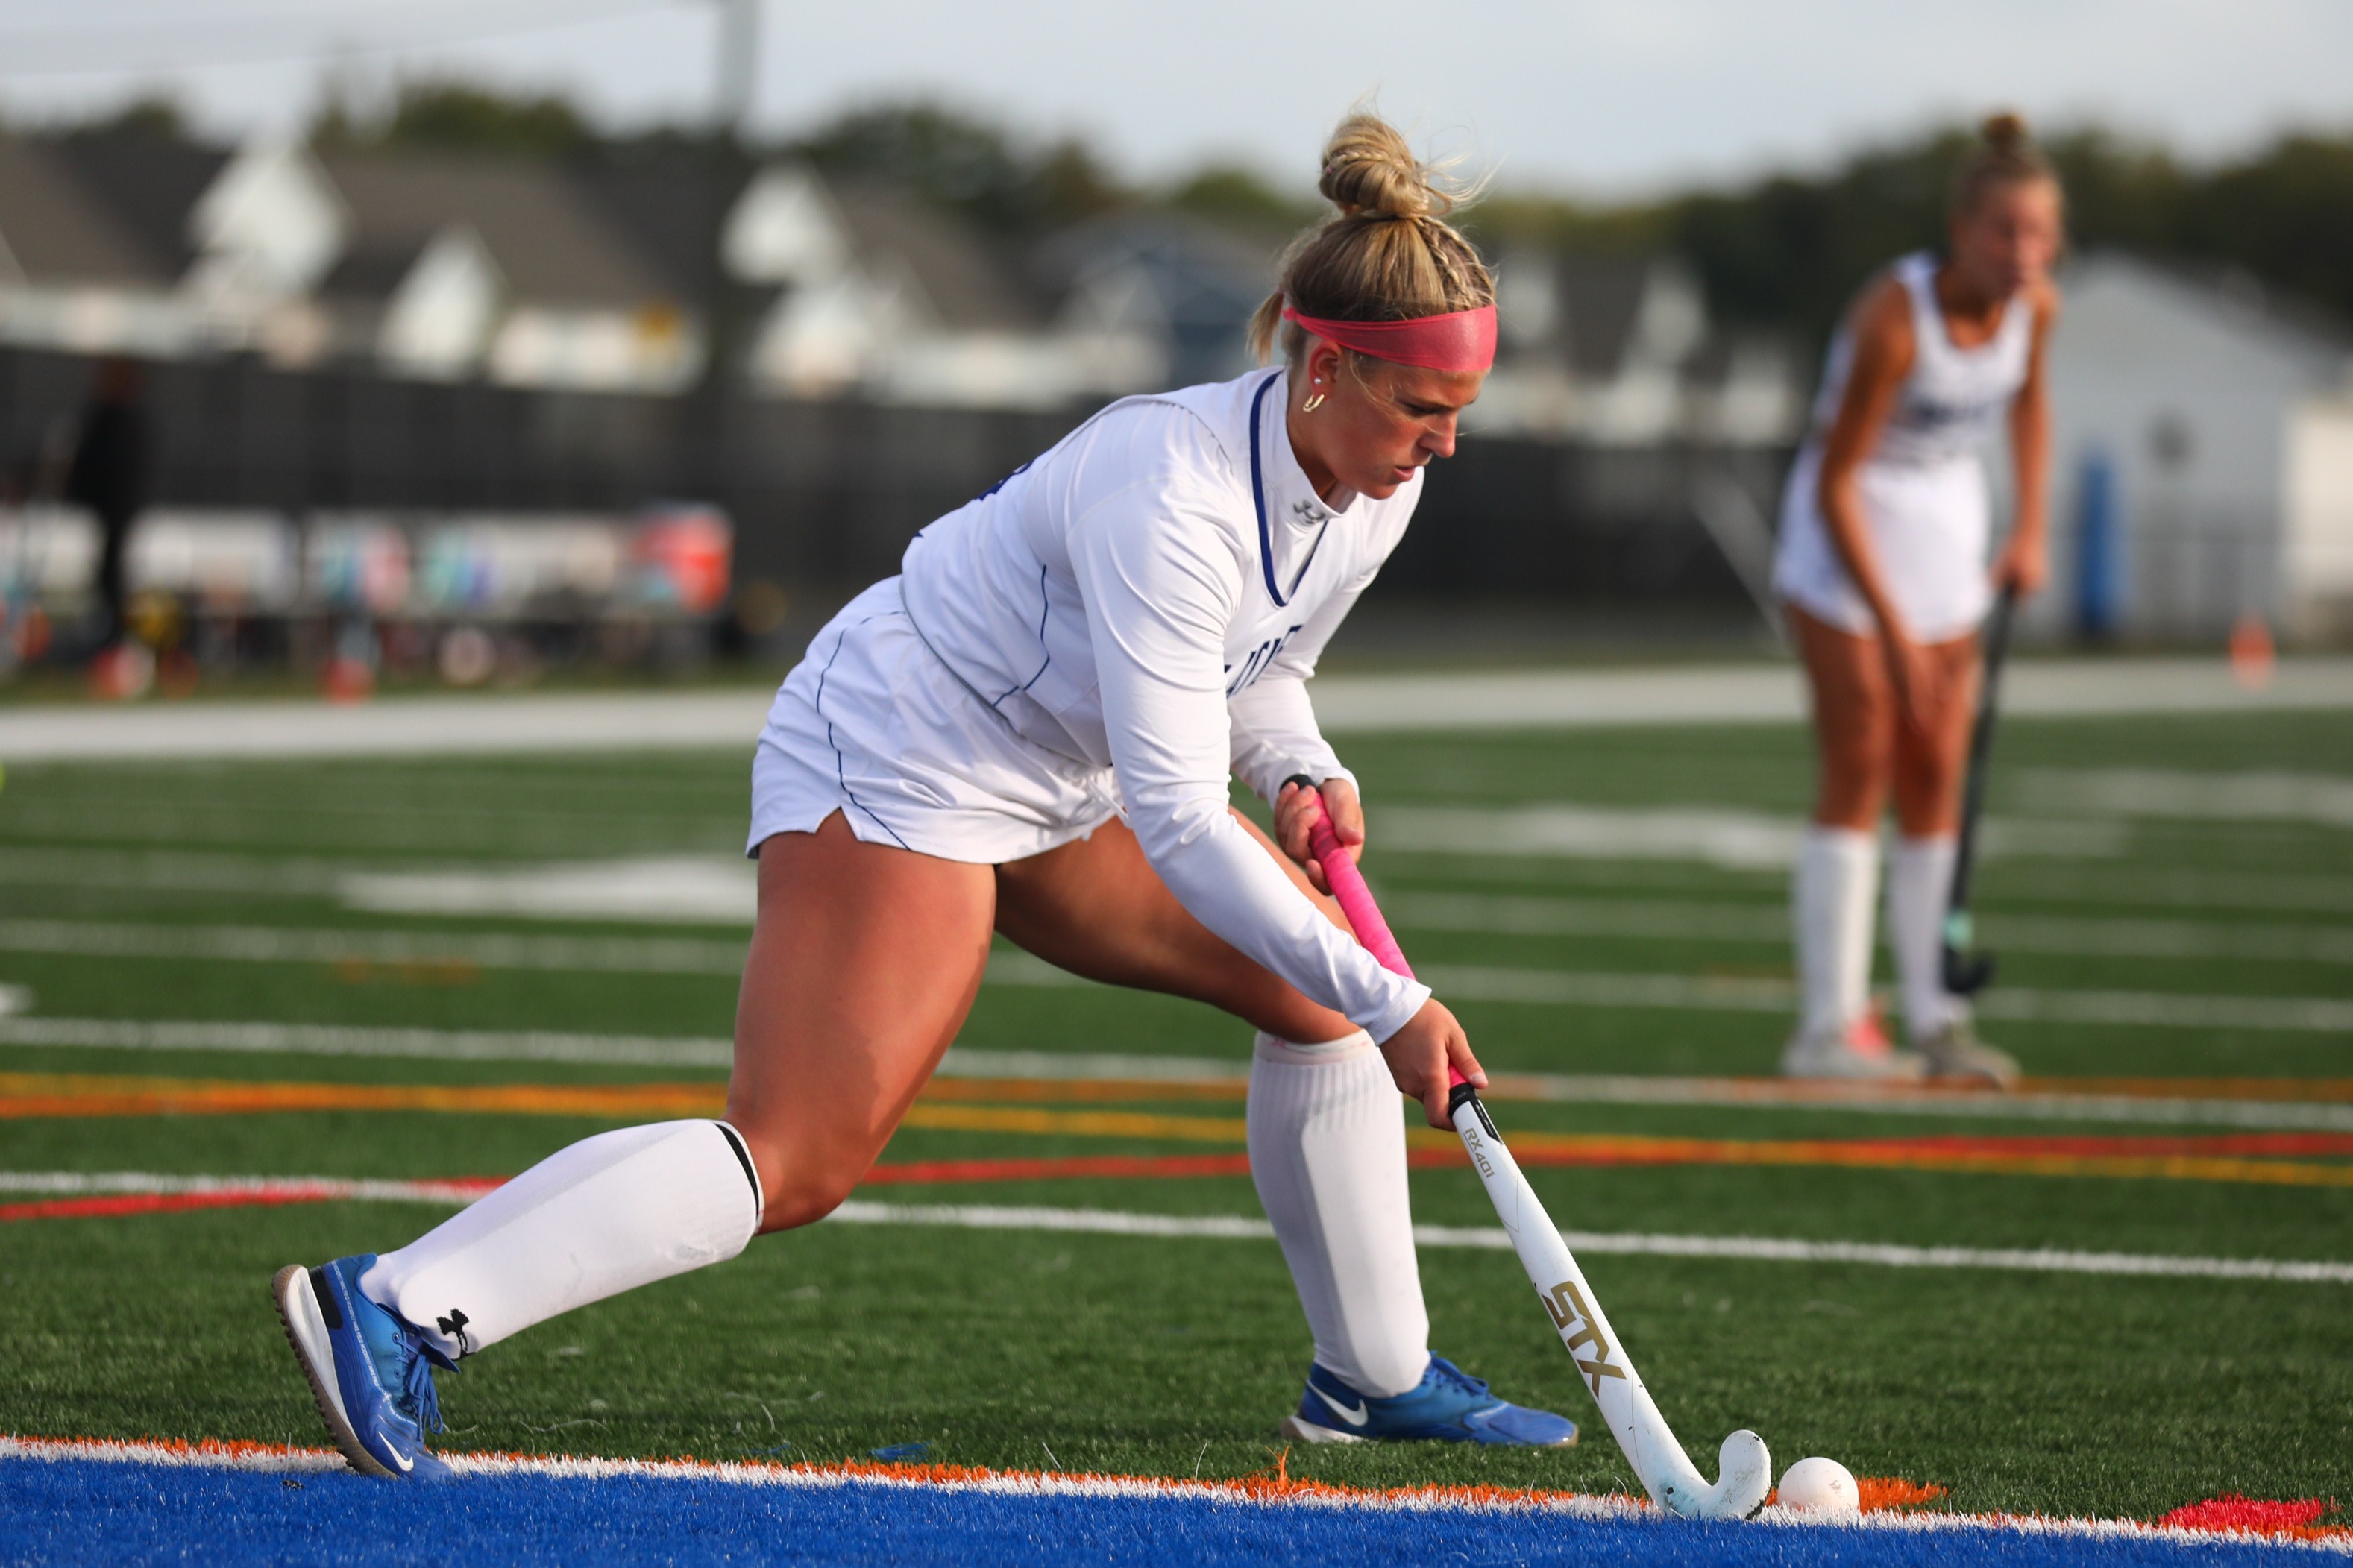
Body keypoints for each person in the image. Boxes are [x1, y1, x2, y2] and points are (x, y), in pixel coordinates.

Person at [271, 114, 1579, 1479]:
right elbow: (1184, 821)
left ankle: (1371, 1377)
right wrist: (1400, 1001)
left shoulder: (1370, 484)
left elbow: (1264, 668)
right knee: (803, 1148)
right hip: (902, 757)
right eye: (1423, 412)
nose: (1442, 447)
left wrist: (1304, 769)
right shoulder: (1169, 489)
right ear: (1323, 367)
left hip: (1053, 780)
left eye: (1456, 417)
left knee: (1311, 992)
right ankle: (392, 1307)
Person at [1768, 113, 2061, 1084]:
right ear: (1961, 228)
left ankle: (1937, 1014)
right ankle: (1827, 1027)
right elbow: (1832, 478)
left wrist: (2025, 529)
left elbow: (2026, 404)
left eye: (2037, 234)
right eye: (2003, 233)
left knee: (1936, 767)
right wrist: (1891, 630)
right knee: (1861, 757)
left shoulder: (2033, 310)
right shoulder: (1894, 317)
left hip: (1945, 543)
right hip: (1844, 546)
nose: (2022, 252)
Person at [63, 357, 150, 651]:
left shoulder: (121, 421)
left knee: (113, 575)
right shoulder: (107, 418)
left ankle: (114, 638)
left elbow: (109, 467)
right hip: (108, 509)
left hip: (117, 508)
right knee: (106, 574)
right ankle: (107, 635)